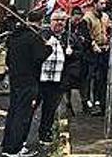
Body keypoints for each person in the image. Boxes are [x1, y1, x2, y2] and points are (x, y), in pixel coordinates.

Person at [1, 10, 52, 157]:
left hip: (15, 79)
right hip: (29, 80)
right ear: (41, 21)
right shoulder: (33, 37)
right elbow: (40, 56)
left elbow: (8, 59)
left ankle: (8, 145)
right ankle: (15, 149)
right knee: (22, 115)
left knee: (13, 112)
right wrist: (49, 47)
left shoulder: (14, 37)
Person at [37, 10, 72, 146]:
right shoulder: (43, 35)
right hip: (41, 78)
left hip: (58, 80)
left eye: (62, 20)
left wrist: (71, 53)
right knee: (32, 108)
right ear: (50, 21)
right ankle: (22, 136)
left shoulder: (68, 37)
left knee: (50, 109)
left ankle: (45, 133)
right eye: (56, 19)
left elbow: (79, 54)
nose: (59, 23)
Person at [83, 0, 112, 115]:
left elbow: (109, 30)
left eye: (105, 3)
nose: (104, 5)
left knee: (102, 78)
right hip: (92, 51)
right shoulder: (87, 17)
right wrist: (93, 44)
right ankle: (90, 102)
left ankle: (100, 102)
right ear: (94, 4)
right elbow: (85, 33)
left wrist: (109, 40)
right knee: (92, 77)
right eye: (101, 3)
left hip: (104, 49)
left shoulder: (105, 16)